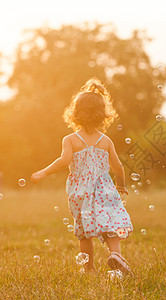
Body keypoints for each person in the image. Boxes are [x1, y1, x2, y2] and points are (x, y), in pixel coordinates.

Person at [31, 77, 133, 274]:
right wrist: (121, 185)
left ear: (75, 113)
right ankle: (116, 254)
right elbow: (119, 167)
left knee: (84, 233)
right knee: (111, 222)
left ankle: (89, 268)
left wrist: (43, 172)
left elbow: (63, 161)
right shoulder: (106, 141)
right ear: (103, 115)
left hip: (81, 192)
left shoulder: (70, 140)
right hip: (105, 189)